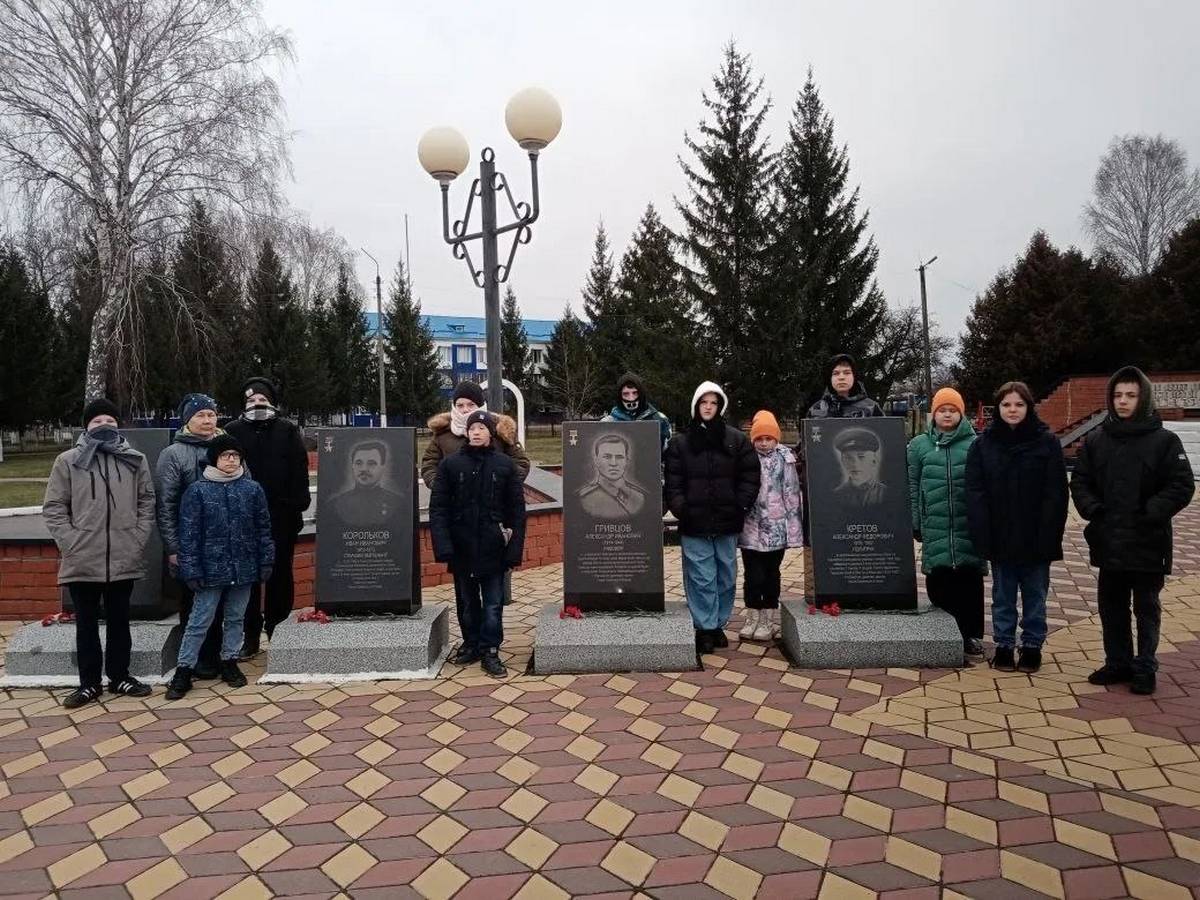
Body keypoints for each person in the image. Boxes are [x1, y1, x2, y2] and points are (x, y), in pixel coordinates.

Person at [1071, 366, 1195, 695]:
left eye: (1130, 395)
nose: (1123, 401)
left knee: (1146, 608)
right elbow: (1080, 481)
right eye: (1117, 395)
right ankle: (1118, 662)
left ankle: (1144, 666)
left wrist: (1152, 511)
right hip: (1109, 539)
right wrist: (1094, 510)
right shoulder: (1097, 440)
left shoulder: (1165, 441)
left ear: (1143, 398)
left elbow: (1181, 485)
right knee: (1111, 606)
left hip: (1148, 541)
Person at [42, 399, 157, 708]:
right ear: (86, 426)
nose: (104, 425)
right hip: (83, 557)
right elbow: (54, 508)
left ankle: (120, 676)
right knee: (86, 625)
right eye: (97, 421)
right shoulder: (68, 461)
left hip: (123, 555)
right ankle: (89, 684)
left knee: (120, 621)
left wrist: (137, 538)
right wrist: (71, 542)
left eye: (110, 420)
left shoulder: (134, 460)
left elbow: (146, 501)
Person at [966, 382, 1068, 674]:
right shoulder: (983, 445)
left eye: (1019, 404)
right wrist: (983, 532)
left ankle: (1032, 645)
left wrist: (1049, 532)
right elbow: (975, 492)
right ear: (998, 408)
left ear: (1029, 407)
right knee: (1003, 596)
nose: (1012, 410)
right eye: (1006, 405)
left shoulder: (1046, 442)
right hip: (1000, 535)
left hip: (1036, 535)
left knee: (1035, 595)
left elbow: (1056, 493)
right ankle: (1004, 645)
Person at [167, 435, 274, 700]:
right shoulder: (197, 491)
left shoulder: (252, 489)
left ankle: (230, 661)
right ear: (214, 459)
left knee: (236, 617)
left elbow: (263, 528)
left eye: (236, 456)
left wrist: (266, 560)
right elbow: (189, 534)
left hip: (244, 566)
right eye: (226, 455)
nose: (231, 460)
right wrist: (191, 569)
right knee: (199, 620)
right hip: (209, 569)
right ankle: (184, 669)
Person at [665, 381, 760, 654]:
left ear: (720, 407)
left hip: (727, 521)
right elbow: (673, 483)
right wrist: (683, 509)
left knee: (726, 575)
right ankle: (704, 627)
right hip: (694, 522)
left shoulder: (736, 440)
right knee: (701, 576)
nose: (708, 407)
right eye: (703, 402)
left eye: (713, 403)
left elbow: (750, 475)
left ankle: (719, 623)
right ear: (696, 406)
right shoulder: (680, 443)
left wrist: (740, 505)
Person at [429, 410, 526, 678]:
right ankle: (471, 644)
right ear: (467, 432)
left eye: (482, 428)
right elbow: (439, 508)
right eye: (472, 428)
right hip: (462, 548)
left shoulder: (504, 465)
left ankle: (490, 650)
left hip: (494, 548)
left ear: (490, 433)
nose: (476, 432)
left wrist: (513, 550)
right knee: (468, 603)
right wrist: (444, 546)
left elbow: (516, 510)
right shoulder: (451, 465)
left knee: (493, 604)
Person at [422, 380, 530, 608]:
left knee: (493, 586)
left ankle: (492, 627)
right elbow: (429, 464)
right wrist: (441, 485)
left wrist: (502, 485)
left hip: (492, 515)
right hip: (460, 516)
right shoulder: (443, 435)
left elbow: (520, 462)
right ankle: (470, 629)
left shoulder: (499, 431)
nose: (465, 410)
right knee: (465, 593)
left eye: (470, 405)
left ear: (480, 405)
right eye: (460, 405)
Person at [225, 377, 310, 658]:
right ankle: (250, 635)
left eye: (262, 400)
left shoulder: (286, 430)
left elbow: (299, 469)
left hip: (281, 516)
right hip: (242, 518)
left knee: (280, 575)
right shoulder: (232, 431)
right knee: (246, 579)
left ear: (272, 403)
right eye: (251, 400)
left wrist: (297, 504)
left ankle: (278, 629)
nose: (257, 404)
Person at [796, 353, 885, 596]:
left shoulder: (871, 408)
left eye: (846, 372)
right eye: (836, 373)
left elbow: (885, 442)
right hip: (826, 492)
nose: (841, 377)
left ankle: (865, 590)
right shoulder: (816, 410)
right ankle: (826, 590)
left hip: (864, 496)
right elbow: (804, 448)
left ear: (855, 376)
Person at [907, 387, 986, 659]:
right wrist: (915, 519)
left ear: (961, 414)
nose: (947, 415)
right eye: (942, 410)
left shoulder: (975, 443)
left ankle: (970, 634)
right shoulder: (919, 445)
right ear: (934, 414)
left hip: (966, 524)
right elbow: (912, 483)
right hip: (934, 523)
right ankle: (942, 632)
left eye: (953, 410)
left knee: (969, 581)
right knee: (939, 579)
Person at [157, 393, 227, 678]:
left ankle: (217, 655)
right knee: (194, 602)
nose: (207, 420)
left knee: (220, 602)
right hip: (191, 543)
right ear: (187, 420)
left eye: (211, 414)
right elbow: (166, 505)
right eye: (200, 415)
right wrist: (173, 547)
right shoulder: (174, 454)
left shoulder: (228, 448)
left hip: (223, 542)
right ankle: (194, 660)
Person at [738, 410, 803, 642]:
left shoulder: (785, 458)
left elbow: (792, 494)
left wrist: (794, 531)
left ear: (776, 438)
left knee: (771, 573)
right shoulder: (745, 457)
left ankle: (768, 617)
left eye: (768, 438)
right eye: (759, 438)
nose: (764, 443)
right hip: (750, 527)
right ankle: (752, 615)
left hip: (776, 528)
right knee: (752, 574)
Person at [329, 439, 405, 524]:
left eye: (371, 463)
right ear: (352, 466)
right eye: (358, 463)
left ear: (383, 467)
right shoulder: (335, 504)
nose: (364, 469)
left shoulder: (398, 504)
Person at [578, 432, 647, 518]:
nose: (613, 463)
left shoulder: (641, 496)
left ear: (626, 461)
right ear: (596, 461)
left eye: (619, 457)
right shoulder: (583, 499)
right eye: (607, 457)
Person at [601, 372, 673, 455]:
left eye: (635, 393)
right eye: (626, 394)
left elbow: (669, 454)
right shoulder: (607, 423)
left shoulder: (660, 420)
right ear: (619, 396)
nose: (631, 398)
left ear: (641, 394)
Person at [832, 427, 888, 508]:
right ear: (842, 461)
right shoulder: (836, 495)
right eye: (848, 458)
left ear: (874, 460)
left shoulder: (886, 493)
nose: (855, 464)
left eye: (861, 457)